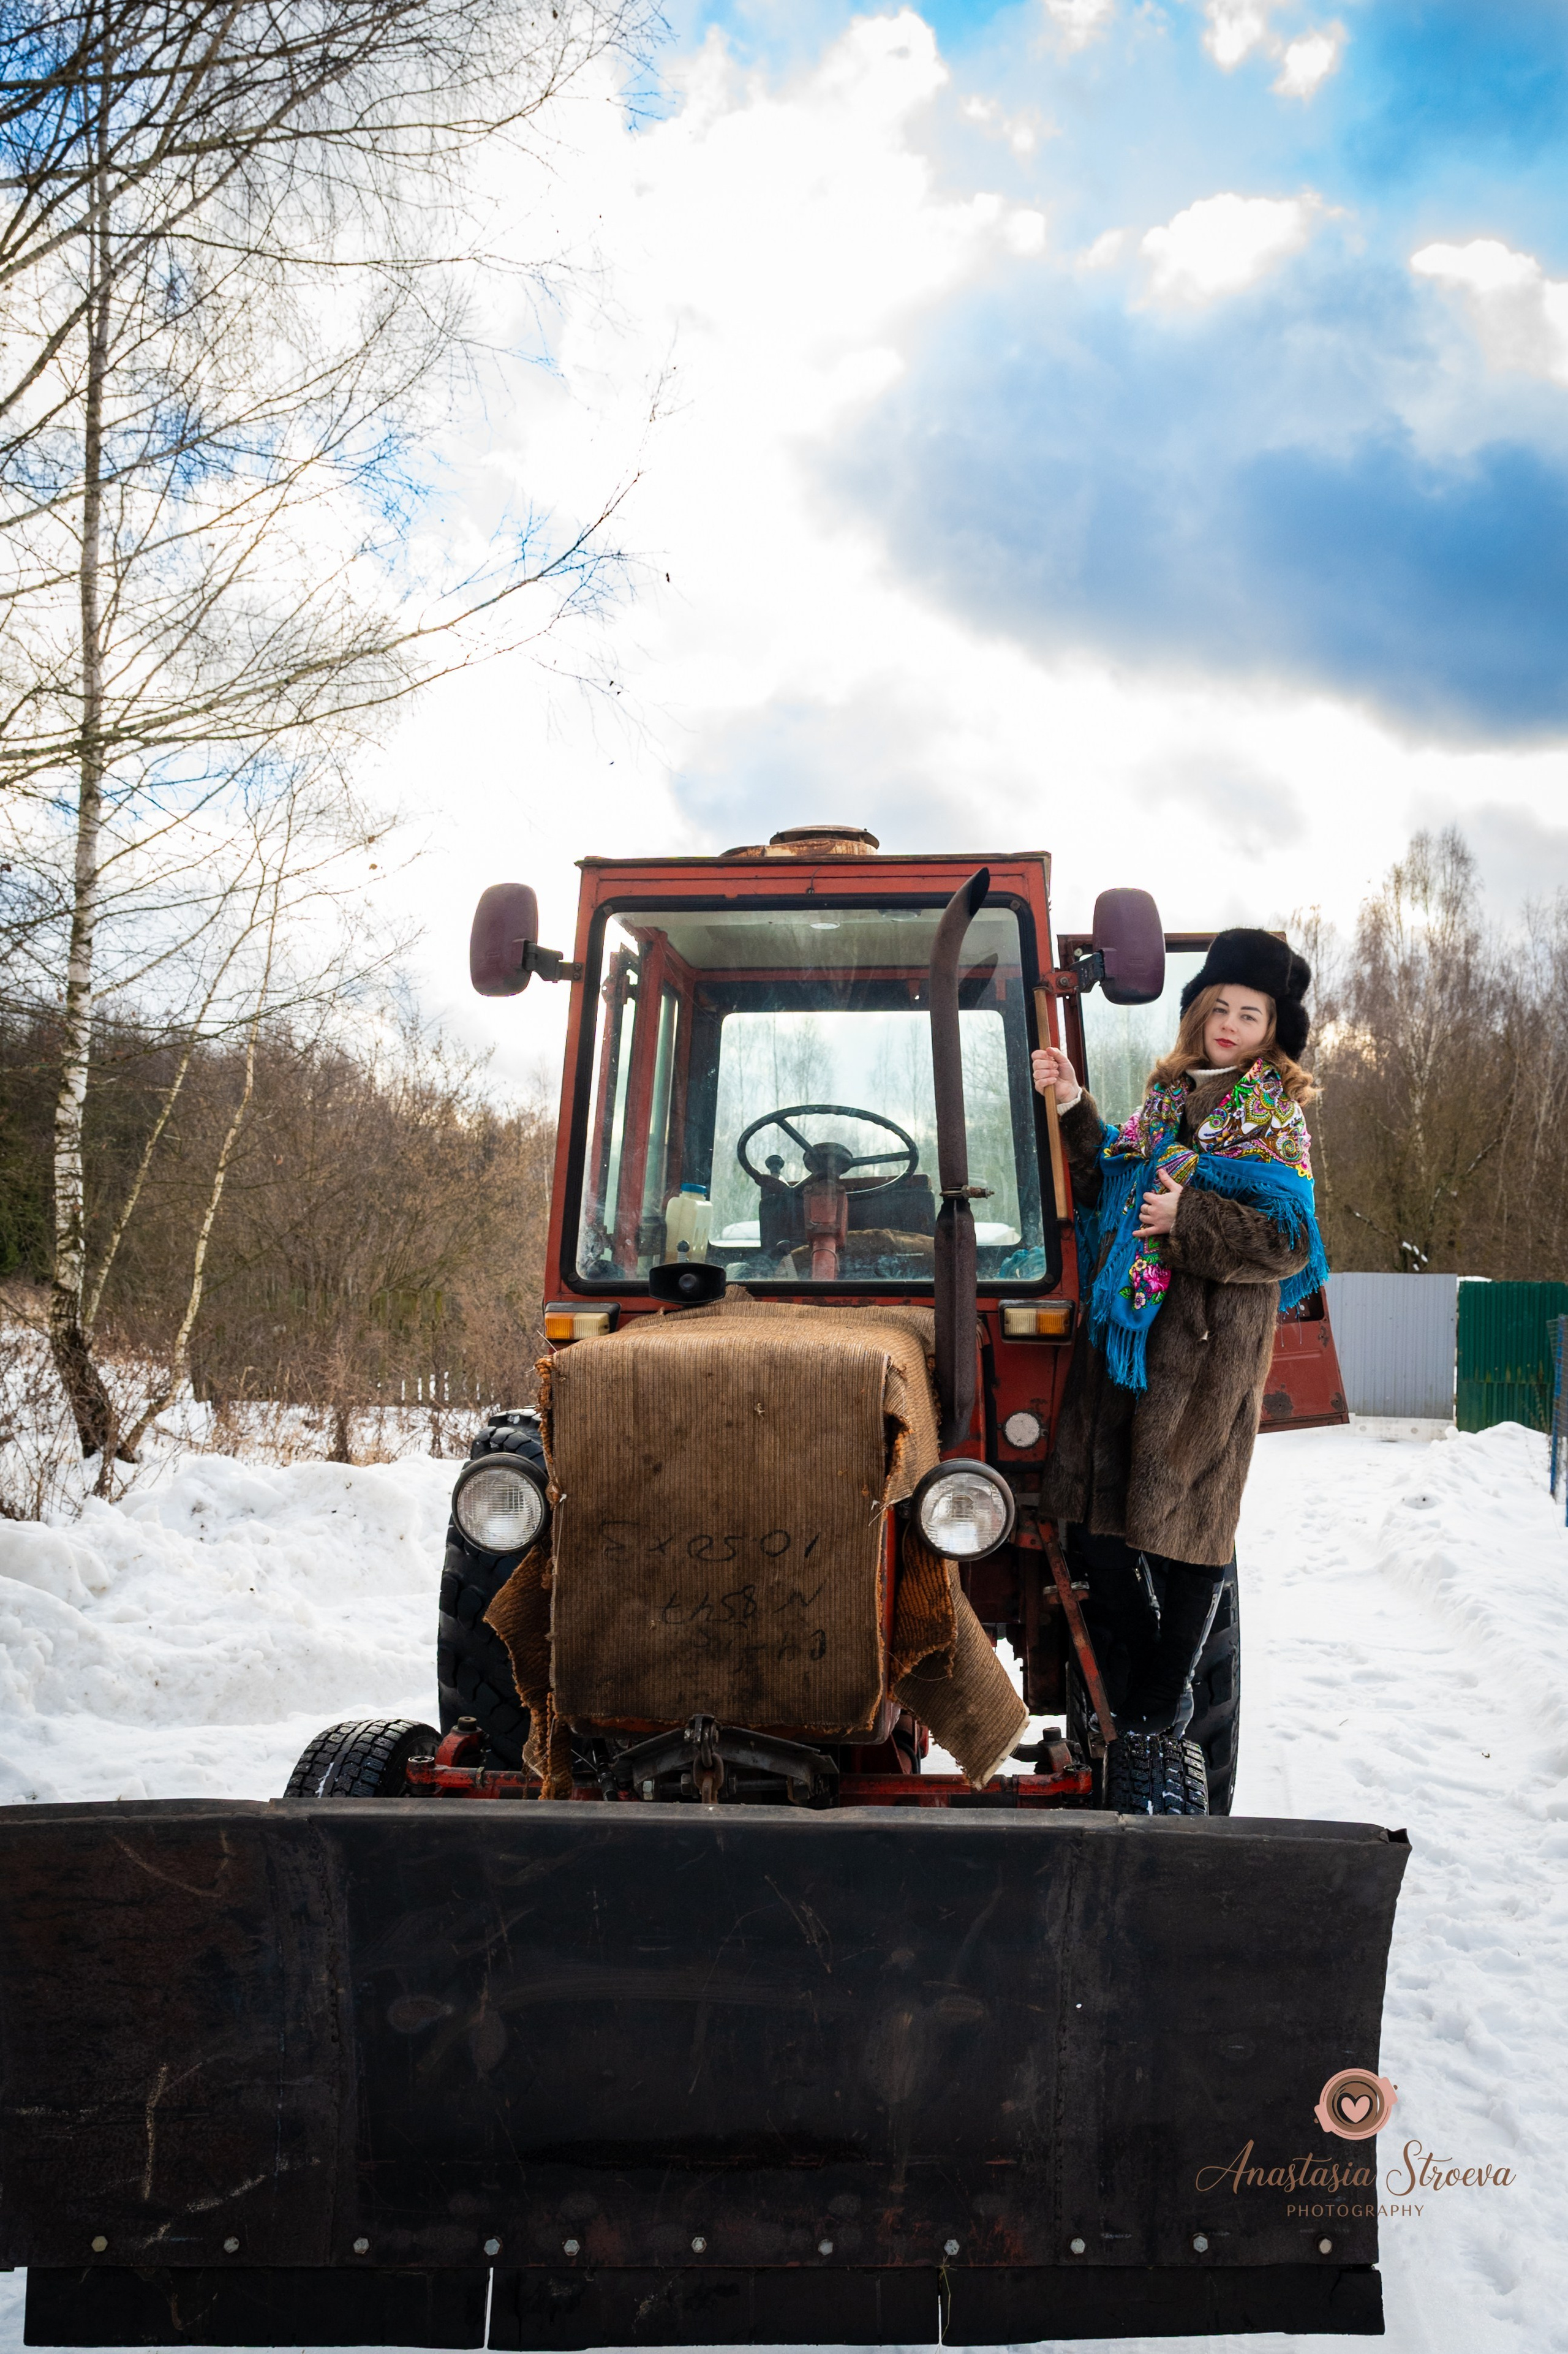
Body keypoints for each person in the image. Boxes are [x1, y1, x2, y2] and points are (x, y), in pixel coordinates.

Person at [1031, 929, 1327, 1737]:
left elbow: (1288, 1241)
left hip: (1207, 1351)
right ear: (1198, 1011)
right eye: (1220, 1006)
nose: (1230, 1024)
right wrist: (1070, 1103)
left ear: (1273, 1032)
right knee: (1102, 1531)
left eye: (1251, 1015)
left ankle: (1160, 1706)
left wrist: (1186, 1216)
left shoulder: (1269, 1117)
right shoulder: (1167, 1098)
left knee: (1189, 1532)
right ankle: (1158, 1687)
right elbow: (1106, 1182)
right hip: (1133, 1339)